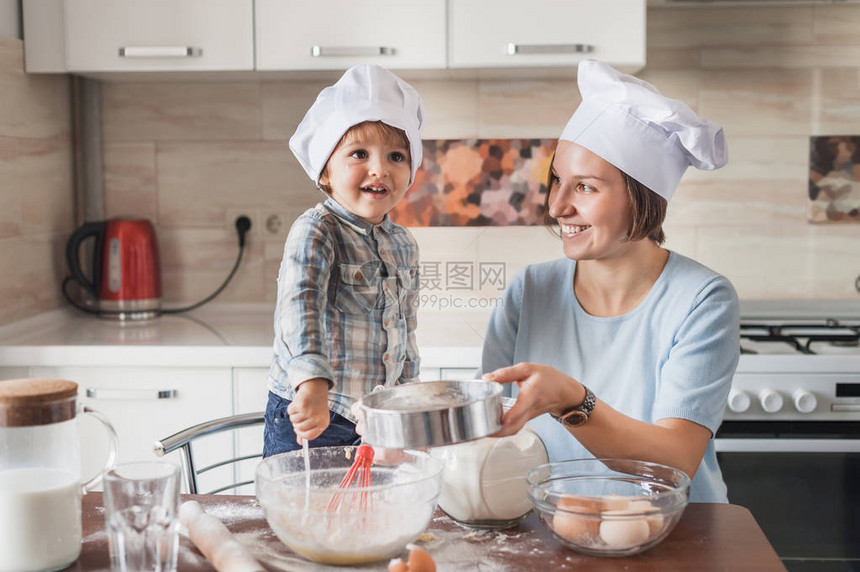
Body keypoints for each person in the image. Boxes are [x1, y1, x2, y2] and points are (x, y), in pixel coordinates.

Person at [480, 59, 740, 503]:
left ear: (641, 199)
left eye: (585, 187)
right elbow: (486, 431)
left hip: (677, 535)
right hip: (551, 527)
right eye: (557, 181)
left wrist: (570, 400)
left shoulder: (702, 300)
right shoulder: (530, 291)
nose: (557, 206)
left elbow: (675, 462)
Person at [263, 64, 424, 456]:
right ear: (325, 173)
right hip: (317, 412)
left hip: (376, 420)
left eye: (397, 156)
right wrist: (312, 384)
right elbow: (299, 311)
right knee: (309, 515)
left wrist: (406, 396)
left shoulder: (404, 243)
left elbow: (405, 328)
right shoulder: (317, 230)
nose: (379, 168)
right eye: (359, 153)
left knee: (372, 514)